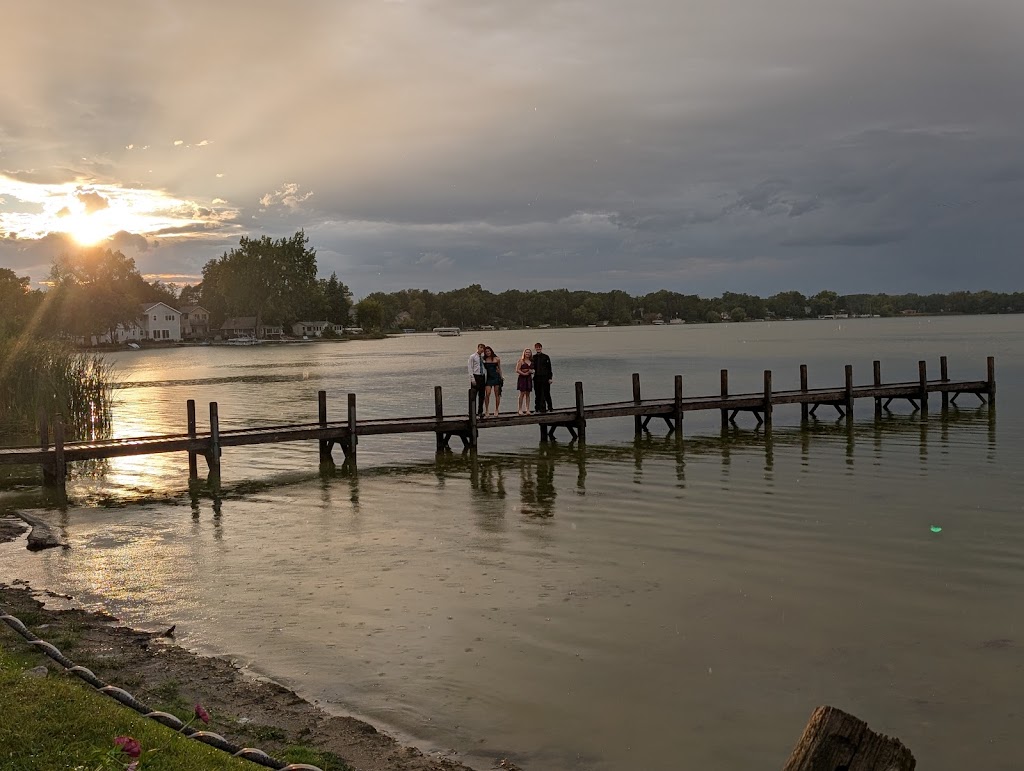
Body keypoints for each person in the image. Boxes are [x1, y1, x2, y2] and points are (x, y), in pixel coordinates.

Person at [482, 346, 503, 417]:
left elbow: (499, 369)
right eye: (486, 352)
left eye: (489, 351)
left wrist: (501, 377)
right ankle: (487, 410)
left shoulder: (497, 359)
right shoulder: (483, 359)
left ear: (491, 351)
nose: (488, 353)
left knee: (497, 394)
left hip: (496, 377)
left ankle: (496, 409)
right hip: (488, 377)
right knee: (487, 393)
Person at [532, 342, 553, 413]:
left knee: (547, 393)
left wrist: (550, 378)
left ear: (541, 348)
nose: (538, 348)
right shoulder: (533, 357)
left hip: (545, 378)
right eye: (537, 347)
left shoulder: (546, 357)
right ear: (535, 348)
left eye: (539, 347)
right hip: (536, 378)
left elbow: (549, 368)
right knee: (537, 394)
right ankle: (537, 409)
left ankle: (550, 408)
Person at [468, 342, 486, 417]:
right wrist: (472, 378)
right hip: (476, 376)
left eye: (483, 348)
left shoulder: (483, 357)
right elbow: (470, 367)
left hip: (482, 376)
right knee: (473, 395)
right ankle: (472, 412)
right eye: (481, 348)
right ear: (478, 348)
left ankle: (480, 411)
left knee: (482, 395)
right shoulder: (472, 356)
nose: (482, 349)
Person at [515, 348, 534, 414]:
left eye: (529, 352)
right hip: (522, 378)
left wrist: (532, 371)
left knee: (528, 394)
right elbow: (517, 370)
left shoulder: (532, 361)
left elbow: (533, 369)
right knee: (522, 393)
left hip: (529, 378)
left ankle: (527, 409)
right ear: (524, 353)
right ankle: (520, 409)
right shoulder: (521, 361)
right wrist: (524, 373)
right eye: (526, 352)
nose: (528, 354)